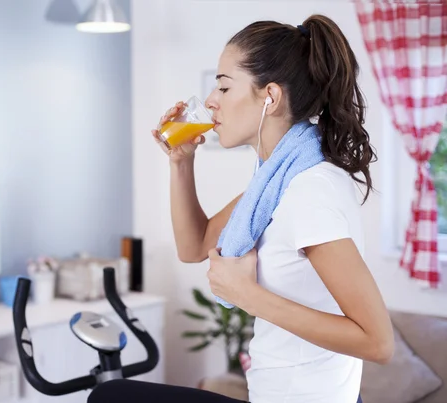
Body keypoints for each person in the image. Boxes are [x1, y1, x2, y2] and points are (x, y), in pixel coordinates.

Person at [88, 14, 394, 403]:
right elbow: (194, 246)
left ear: (270, 96)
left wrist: (247, 296)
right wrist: (181, 163)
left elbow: (378, 342)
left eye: (224, 87)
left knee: (111, 397)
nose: (211, 101)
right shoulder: (273, 182)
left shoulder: (308, 190)